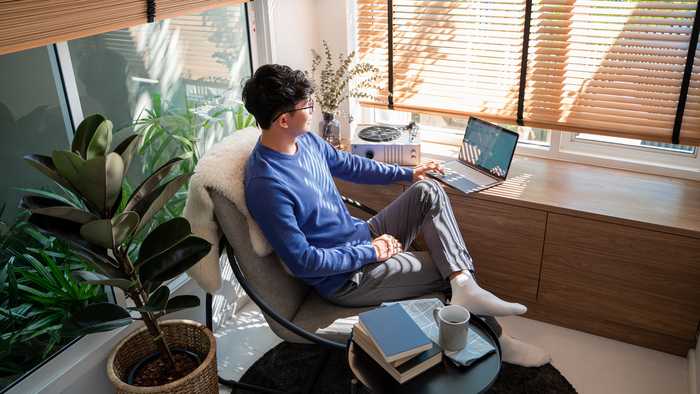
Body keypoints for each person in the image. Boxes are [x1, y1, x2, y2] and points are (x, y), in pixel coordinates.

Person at [242, 64, 550, 367]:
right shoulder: (266, 184)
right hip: (347, 277)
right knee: (447, 272)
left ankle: (465, 288)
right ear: (284, 120)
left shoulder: (305, 141)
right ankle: (497, 340)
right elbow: (304, 262)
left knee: (428, 192)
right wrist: (371, 251)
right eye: (307, 105)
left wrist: (407, 172)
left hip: (363, 235)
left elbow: (350, 165)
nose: (313, 110)